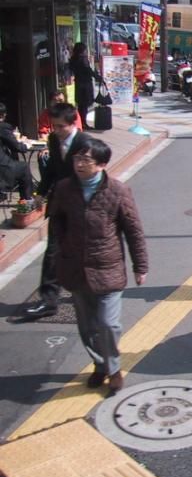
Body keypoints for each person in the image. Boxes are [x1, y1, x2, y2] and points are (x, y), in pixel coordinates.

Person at [49, 137, 148, 392]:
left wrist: (141, 266)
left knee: (108, 324)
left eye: (86, 159)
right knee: (87, 327)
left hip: (108, 268)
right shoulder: (63, 189)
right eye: (77, 158)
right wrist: (63, 249)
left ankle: (114, 368)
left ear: (102, 164)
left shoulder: (118, 191)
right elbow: (57, 222)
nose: (79, 164)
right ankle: (99, 365)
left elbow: (133, 231)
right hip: (75, 268)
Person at [21, 103, 92, 320]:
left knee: (84, 252)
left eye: (61, 127)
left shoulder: (85, 143)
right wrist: (40, 194)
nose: (57, 131)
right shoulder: (53, 140)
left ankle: (92, 290)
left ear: (72, 124)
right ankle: (49, 300)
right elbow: (52, 169)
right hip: (59, 205)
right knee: (52, 252)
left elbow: (94, 177)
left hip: (81, 207)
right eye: (54, 126)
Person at [0, 103, 34, 201]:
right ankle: (27, 200)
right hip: (3, 168)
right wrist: (25, 145)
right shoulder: (3, 127)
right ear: (3, 115)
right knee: (24, 167)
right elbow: (17, 147)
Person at [68, 43, 101, 131]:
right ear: (82, 50)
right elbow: (88, 70)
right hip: (85, 84)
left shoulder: (73, 59)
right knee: (85, 106)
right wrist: (98, 77)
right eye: (85, 49)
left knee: (80, 106)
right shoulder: (83, 59)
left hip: (78, 84)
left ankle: (80, 123)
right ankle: (83, 123)